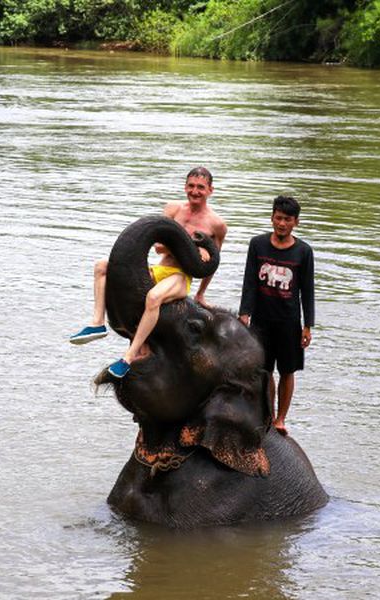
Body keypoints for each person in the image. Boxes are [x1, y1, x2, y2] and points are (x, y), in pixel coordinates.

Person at [70, 167, 227, 378]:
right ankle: (97, 323)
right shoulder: (173, 210)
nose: (195, 191)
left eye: (200, 187)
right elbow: (159, 247)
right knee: (102, 266)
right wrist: (191, 248)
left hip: (180, 276)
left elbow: (211, 263)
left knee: (154, 297)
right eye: (191, 186)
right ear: (185, 187)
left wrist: (200, 293)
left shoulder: (216, 225)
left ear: (210, 190)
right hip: (158, 268)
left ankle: (128, 357)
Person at [239, 196, 314, 436]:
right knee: (264, 370)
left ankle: (281, 419)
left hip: (289, 320)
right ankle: (269, 416)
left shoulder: (303, 252)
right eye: (278, 218)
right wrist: (244, 314)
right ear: (272, 217)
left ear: (296, 222)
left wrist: (308, 325)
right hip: (262, 319)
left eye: (287, 220)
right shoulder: (257, 245)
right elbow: (249, 282)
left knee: (287, 370)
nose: (282, 223)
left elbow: (307, 290)